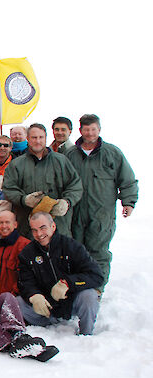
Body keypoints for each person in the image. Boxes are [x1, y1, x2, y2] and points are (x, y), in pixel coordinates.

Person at [65, 114, 138, 289]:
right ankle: (77, 289)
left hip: (101, 215)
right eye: (86, 129)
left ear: (99, 129)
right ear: (80, 130)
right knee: (74, 253)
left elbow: (127, 180)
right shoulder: (70, 154)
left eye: (93, 129)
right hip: (75, 213)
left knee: (98, 253)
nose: (90, 133)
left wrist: (128, 202)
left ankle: (97, 288)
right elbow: (60, 180)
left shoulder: (112, 153)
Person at [18, 212, 104, 335]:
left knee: (89, 295)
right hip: (45, 308)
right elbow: (25, 281)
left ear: (53, 226)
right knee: (17, 302)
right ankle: (35, 331)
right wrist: (34, 295)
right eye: (34, 230)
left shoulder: (71, 246)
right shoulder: (27, 253)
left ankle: (86, 335)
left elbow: (97, 276)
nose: (39, 234)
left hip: (71, 304)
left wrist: (69, 283)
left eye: (43, 228)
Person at [2, 123, 83, 237]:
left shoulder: (61, 161)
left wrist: (67, 202)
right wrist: (24, 200)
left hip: (58, 226)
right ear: (28, 139)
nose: (38, 141)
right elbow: (8, 189)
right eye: (34, 137)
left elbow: (75, 186)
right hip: (27, 228)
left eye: (41, 137)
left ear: (46, 138)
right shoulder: (16, 164)